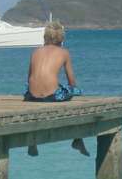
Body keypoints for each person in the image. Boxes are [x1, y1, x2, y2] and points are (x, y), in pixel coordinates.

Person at [24, 21, 88, 156]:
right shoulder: (64, 52)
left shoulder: (35, 51)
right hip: (51, 96)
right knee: (75, 93)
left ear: (45, 37)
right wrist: (73, 91)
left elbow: (29, 77)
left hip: (32, 96)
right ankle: (78, 139)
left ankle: (32, 142)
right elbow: (71, 80)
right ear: (61, 38)